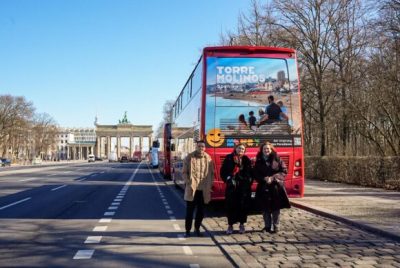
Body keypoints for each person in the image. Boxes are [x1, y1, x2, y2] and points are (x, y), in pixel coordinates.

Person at [253, 142, 290, 233]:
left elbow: (284, 171)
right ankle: (267, 227)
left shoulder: (277, 159)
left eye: (268, 149)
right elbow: (255, 174)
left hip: (275, 187)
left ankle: (276, 226)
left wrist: (273, 178)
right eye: (264, 149)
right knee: (265, 208)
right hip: (263, 186)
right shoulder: (258, 160)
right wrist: (264, 178)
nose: (266, 150)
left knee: (275, 207)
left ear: (271, 149)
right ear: (262, 150)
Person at [182, 140, 214, 237]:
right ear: (196, 147)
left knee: (201, 212)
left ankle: (197, 229)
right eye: (199, 146)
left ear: (205, 148)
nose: (201, 148)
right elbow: (184, 172)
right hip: (192, 189)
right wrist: (188, 182)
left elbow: (212, 174)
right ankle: (187, 230)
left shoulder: (209, 158)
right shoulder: (189, 157)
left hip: (203, 190)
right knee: (189, 212)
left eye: (202, 146)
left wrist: (210, 185)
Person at [220, 143, 253, 234]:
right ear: (235, 148)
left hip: (243, 187)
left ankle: (242, 224)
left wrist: (248, 182)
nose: (241, 150)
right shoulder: (229, 158)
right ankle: (230, 225)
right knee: (231, 206)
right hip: (232, 187)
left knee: (243, 206)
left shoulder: (246, 159)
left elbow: (250, 173)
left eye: (242, 149)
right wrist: (228, 179)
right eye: (239, 148)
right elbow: (223, 171)